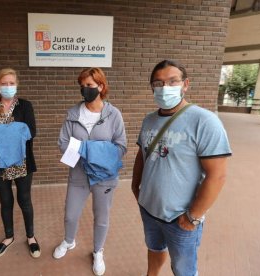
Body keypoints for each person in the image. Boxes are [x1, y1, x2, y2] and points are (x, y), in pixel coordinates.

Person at [131, 59, 232, 276]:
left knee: (183, 269)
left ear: (185, 84)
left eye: (172, 81)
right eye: (158, 83)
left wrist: (193, 216)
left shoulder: (204, 121)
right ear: (152, 88)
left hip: (180, 217)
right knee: (154, 248)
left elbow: (218, 175)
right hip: (149, 208)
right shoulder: (149, 120)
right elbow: (142, 154)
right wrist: (135, 186)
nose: (165, 88)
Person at [54, 67, 127, 276]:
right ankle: (69, 241)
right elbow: (62, 143)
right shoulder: (73, 114)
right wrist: (88, 151)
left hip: (104, 177)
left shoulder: (114, 115)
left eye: (90, 85)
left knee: (101, 217)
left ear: (101, 86)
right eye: (82, 85)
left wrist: (88, 149)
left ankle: (98, 251)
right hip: (78, 175)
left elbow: (121, 147)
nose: (85, 89)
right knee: (70, 215)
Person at [0, 68, 40, 258]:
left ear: (17, 84)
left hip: (22, 162)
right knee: (5, 201)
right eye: (4, 83)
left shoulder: (25, 106)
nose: (8, 87)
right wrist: (15, 130)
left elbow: (31, 133)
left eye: (11, 83)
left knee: (24, 200)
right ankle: (9, 237)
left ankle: (31, 237)